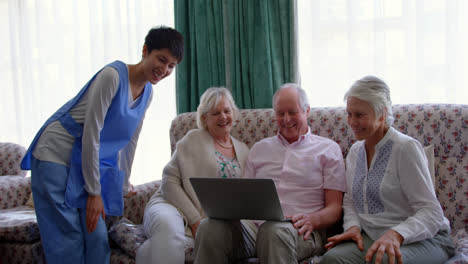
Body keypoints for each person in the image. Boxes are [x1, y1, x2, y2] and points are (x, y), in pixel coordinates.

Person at [20, 26, 184, 264]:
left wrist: (123, 182)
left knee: (96, 234)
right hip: (55, 154)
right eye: (161, 59)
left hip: (83, 160)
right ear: (145, 50)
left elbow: (129, 141)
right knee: (68, 237)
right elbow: (91, 134)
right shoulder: (112, 77)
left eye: (171, 65)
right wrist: (94, 192)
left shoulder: (147, 93)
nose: (165, 69)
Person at [194, 83, 347, 264]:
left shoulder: (328, 149)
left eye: (292, 112)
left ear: (307, 111)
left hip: (302, 231)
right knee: (209, 228)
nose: (286, 119)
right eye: (280, 113)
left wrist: (312, 220)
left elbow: (335, 208)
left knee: (273, 231)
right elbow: (244, 198)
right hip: (254, 229)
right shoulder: (259, 149)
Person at [321, 76, 455, 264]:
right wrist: (352, 227)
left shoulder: (406, 148)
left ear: (382, 113)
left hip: (425, 238)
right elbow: (350, 200)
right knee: (331, 260)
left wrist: (396, 234)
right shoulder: (355, 151)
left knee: (384, 261)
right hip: (374, 236)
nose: (351, 122)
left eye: (359, 115)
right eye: (349, 114)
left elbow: (431, 212)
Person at [136, 87, 250, 264]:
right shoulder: (193, 138)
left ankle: (145, 254)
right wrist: (195, 220)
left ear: (234, 113)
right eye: (216, 113)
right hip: (171, 203)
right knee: (168, 230)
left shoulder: (243, 150)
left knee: (154, 250)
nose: (223, 117)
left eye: (227, 111)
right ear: (204, 118)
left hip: (211, 219)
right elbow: (169, 181)